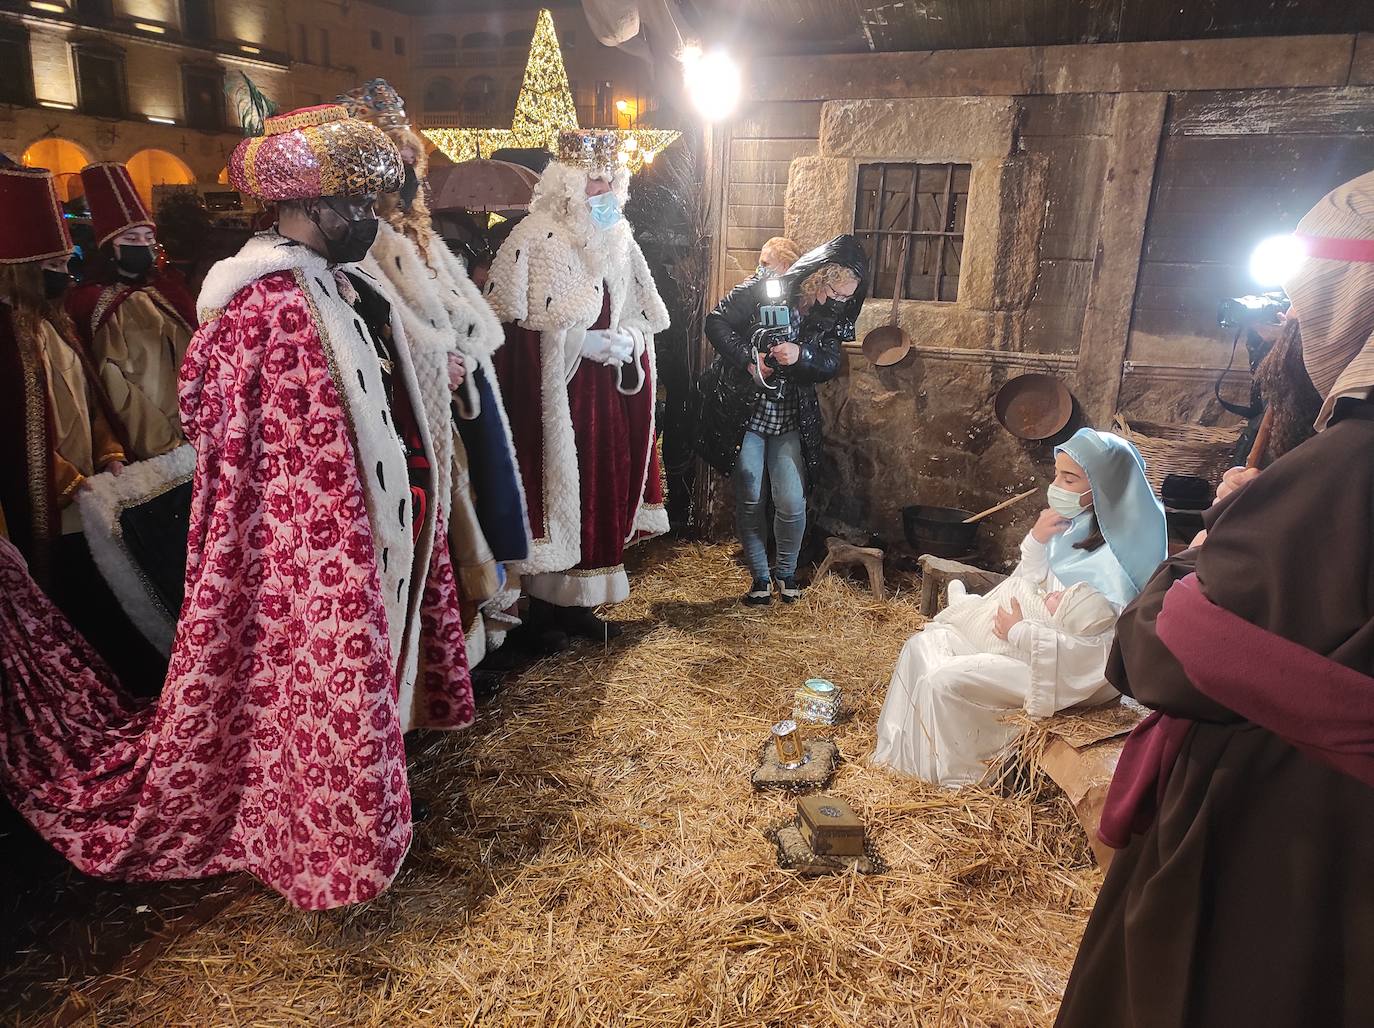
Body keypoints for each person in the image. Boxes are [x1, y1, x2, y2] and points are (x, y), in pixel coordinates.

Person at [0, 104, 472, 910]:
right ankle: (332, 835)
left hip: (353, 529)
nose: (364, 223)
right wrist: (338, 554)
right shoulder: (275, 307)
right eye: (352, 208)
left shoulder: (326, 282)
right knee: (313, 681)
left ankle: (358, 803)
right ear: (306, 208)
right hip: (312, 549)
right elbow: (290, 471)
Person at [1056, 170, 1374, 1028]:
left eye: (1303, 312)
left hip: (1289, 841)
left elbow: (1161, 653)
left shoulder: (1348, 467)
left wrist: (1206, 548)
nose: (1290, 334)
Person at [344, 78, 529, 667]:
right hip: (411, 408)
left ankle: (477, 645)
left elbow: (464, 312)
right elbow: (380, 325)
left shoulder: (421, 237)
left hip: (457, 396)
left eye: (407, 163)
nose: (403, 178)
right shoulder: (362, 243)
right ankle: (443, 660)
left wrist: (464, 345)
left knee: (473, 505)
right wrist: (433, 357)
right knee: (442, 521)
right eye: (389, 165)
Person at [873, 428, 1167, 787]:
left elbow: (1098, 657)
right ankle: (904, 764)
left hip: (1055, 669)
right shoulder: (1074, 527)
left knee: (943, 681)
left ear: (1105, 489)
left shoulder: (1124, 567)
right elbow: (1032, 580)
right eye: (1056, 474)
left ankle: (957, 783)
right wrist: (1039, 540)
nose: (1055, 485)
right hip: (1018, 636)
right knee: (919, 647)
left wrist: (1019, 631)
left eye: (1069, 478)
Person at [485, 129, 670, 640]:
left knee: (598, 487)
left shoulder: (620, 237)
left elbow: (641, 312)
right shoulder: (532, 238)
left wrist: (630, 341)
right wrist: (578, 346)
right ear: (567, 183)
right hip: (555, 399)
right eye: (593, 180)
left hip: (607, 395)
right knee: (554, 489)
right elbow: (509, 336)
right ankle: (544, 603)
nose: (604, 190)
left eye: (612, 180)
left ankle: (581, 599)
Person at [0, 164, 167, 690]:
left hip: (94, 493)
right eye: (49, 263)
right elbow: (11, 434)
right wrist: (70, 480)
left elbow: (94, 405)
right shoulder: (6, 334)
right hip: (50, 502)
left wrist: (111, 453)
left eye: (63, 259)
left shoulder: (57, 323)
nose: (62, 270)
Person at [694, 236, 868, 605]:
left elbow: (830, 363)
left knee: (791, 501)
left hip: (790, 417)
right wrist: (748, 359)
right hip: (747, 411)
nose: (840, 303)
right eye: (837, 293)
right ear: (820, 278)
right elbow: (717, 321)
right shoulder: (766, 288)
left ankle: (786, 575)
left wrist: (801, 354)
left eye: (847, 297)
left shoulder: (830, 316)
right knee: (751, 495)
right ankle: (759, 578)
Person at [66, 162, 197, 461]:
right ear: (109, 247)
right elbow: (111, 384)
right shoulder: (93, 302)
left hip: (195, 430)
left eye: (148, 239)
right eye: (131, 239)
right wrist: (160, 440)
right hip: (149, 443)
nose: (143, 246)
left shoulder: (170, 291)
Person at [937, 579, 1117, 661]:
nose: (1054, 593)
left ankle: (961, 604)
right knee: (984, 606)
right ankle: (966, 602)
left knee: (977, 612)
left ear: (1061, 617)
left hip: (994, 634)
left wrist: (1028, 586)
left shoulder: (1044, 622)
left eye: (1059, 598)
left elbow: (1015, 587)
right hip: (1007, 625)